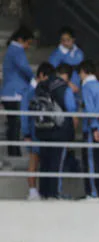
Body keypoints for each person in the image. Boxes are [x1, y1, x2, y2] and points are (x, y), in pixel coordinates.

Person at [32, 64, 77, 200]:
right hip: (59, 131)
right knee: (56, 163)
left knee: (45, 163)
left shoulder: (41, 86)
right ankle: (55, 194)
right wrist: (71, 135)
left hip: (43, 130)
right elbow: (71, 110)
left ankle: (44, 193)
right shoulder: (64, 88)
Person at [21, 62, 55, 201]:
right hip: (33, 131)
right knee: (34, 160)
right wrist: (26, 133)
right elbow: (24, 113)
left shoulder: (44, 89)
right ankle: (32, 191)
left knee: (43, 160)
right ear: (41, 75)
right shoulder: (29, 91)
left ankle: (43, 190)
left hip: (43, 130)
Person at [79, 60, 99, 200]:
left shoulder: (87, 87)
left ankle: (93, 193)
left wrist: (94, 127)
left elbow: (89, 110)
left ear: (84, 72)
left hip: (92, 129)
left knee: (91, 162)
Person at [2, 26, 35, 157]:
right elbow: (24, 67)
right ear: (21, 40)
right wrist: (33, 79)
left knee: (12, 125)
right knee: (15, 125)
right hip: (15, 93)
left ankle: (13, 151)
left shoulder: (11, 50)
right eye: (27, 43)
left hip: (8, 92)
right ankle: (14, 152)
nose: (27, 46)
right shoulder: (17, 50)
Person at [48, 27, 85, 92]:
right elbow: (53, 73)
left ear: (73, 39)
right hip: (64, 88)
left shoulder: (79, 53)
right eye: (63, 40)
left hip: (79, 87)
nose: (65, 43)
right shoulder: (56, 55)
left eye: (68, 40)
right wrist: (69, 84)